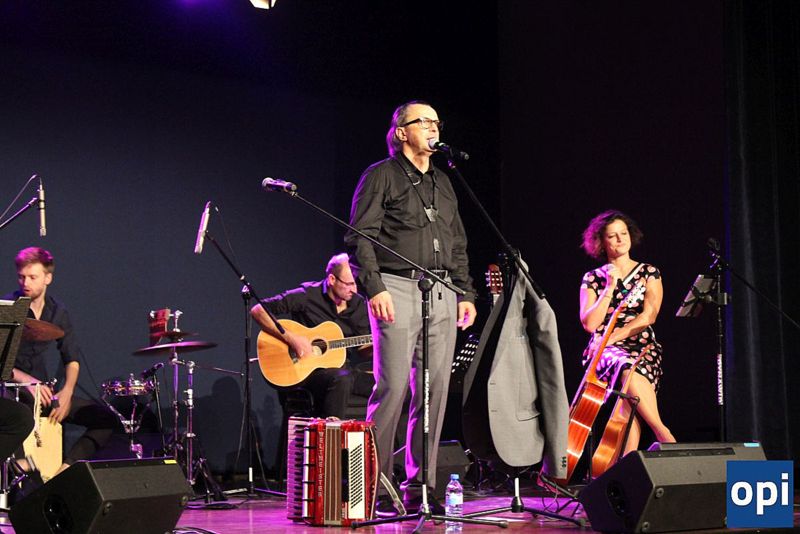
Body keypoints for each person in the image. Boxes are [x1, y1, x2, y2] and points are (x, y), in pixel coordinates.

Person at [345, 100, 477, 516]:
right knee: (392, 388)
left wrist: (465, 292)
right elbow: (360, 236)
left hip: (442, 290)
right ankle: (373, 485)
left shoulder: (444, 181)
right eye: (424, 122)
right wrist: (374, 287)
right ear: (401, 132)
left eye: (438, 122)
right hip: (397, 287)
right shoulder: (381, 175)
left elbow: (457, 242)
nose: (434, 128)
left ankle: (422, 485)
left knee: (435, 392)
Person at [4, 247, 117, 476]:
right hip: (13, 388)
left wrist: (66, 392)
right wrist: (26, 380)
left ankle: (64, 472)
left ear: (48, 278)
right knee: (17, 416)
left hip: (44, 392)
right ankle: (19, 469)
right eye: (21, 277)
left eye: (32, 277)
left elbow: (71, 358)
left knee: (106, 419)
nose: (25, 283)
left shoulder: (57, 311)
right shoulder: (8, 307)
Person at [579, 210, 675, 455]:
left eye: (624, 233)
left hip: (642, 345)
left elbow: (649, 316)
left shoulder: (649, 272)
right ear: (602, 242)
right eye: (613, 236)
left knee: (629, 402)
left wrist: (611, 337)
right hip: (605, 351)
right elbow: (590, 324)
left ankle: (625, 463)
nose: (620, 239)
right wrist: (609, 288)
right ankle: (664, 434)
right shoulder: (593, 278)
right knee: (625, 366)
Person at [250, 253, 371, 419]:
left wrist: (381, 346)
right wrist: (292, 339)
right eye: (349, 284)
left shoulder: (358, 304)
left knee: (391, 385)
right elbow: (258, 310)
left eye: (356, 283)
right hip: (307, 372)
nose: (354, 290)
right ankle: (330, 432)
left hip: (345, 370)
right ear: (332, 279)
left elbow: (363, 348)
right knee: (342, 379)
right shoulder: (307, 295)